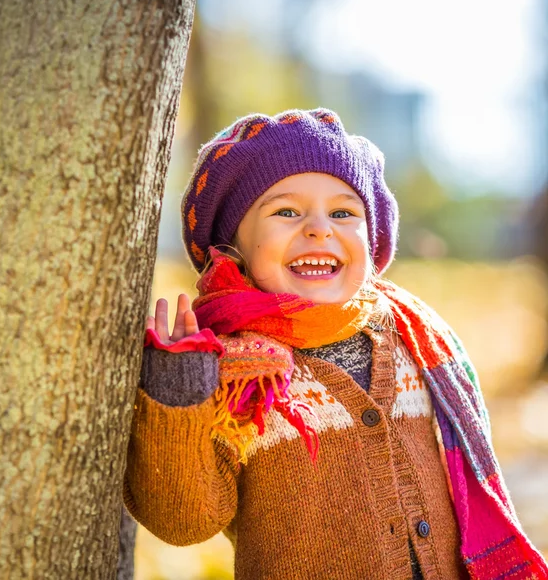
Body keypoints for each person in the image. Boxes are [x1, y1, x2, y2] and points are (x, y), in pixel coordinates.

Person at [123, 109, 548, 579]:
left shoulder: (416, 339)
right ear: (233, 247)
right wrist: (179, 392)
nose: (320, 229)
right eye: (286, 211)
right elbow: (185, 524)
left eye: (344, 212)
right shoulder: (236, 375)